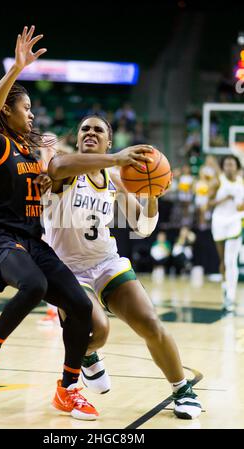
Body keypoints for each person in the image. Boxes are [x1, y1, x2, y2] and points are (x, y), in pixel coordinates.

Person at [0, 26, 136, 421]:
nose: (33, 114)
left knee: (80, 306)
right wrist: (16, 71)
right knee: (35, 285)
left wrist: (45, 175)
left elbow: (54, 165)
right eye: (26, 109)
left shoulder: (31, 147)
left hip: (31, 238)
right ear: (8, 109)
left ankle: (68, 388)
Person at [40, 115, 202, 419]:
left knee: (149, 322)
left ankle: (182, 388)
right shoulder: (65, 166)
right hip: (65, 269)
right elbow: (57, 168)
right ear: (77, 140)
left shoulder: (115, 179)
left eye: (98, 130)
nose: (90, 132)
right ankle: (88, 354)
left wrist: (152, 197)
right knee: (97, 331)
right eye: (84, 129)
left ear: (108, 141)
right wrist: (116, 158)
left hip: (105, 261)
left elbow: (142, 227)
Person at [208, 155, 244, 312]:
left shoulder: (242, 182)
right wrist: (224, 199)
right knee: (223, 260)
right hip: (219, 222)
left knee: (231, 260)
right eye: (227, 164)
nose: (229, 167)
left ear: (237, 166)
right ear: (223, 167)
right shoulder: (217, 181)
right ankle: (225, 285)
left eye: (232, 164)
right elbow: (208, 204)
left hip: (235, 221)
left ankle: (230, 296)